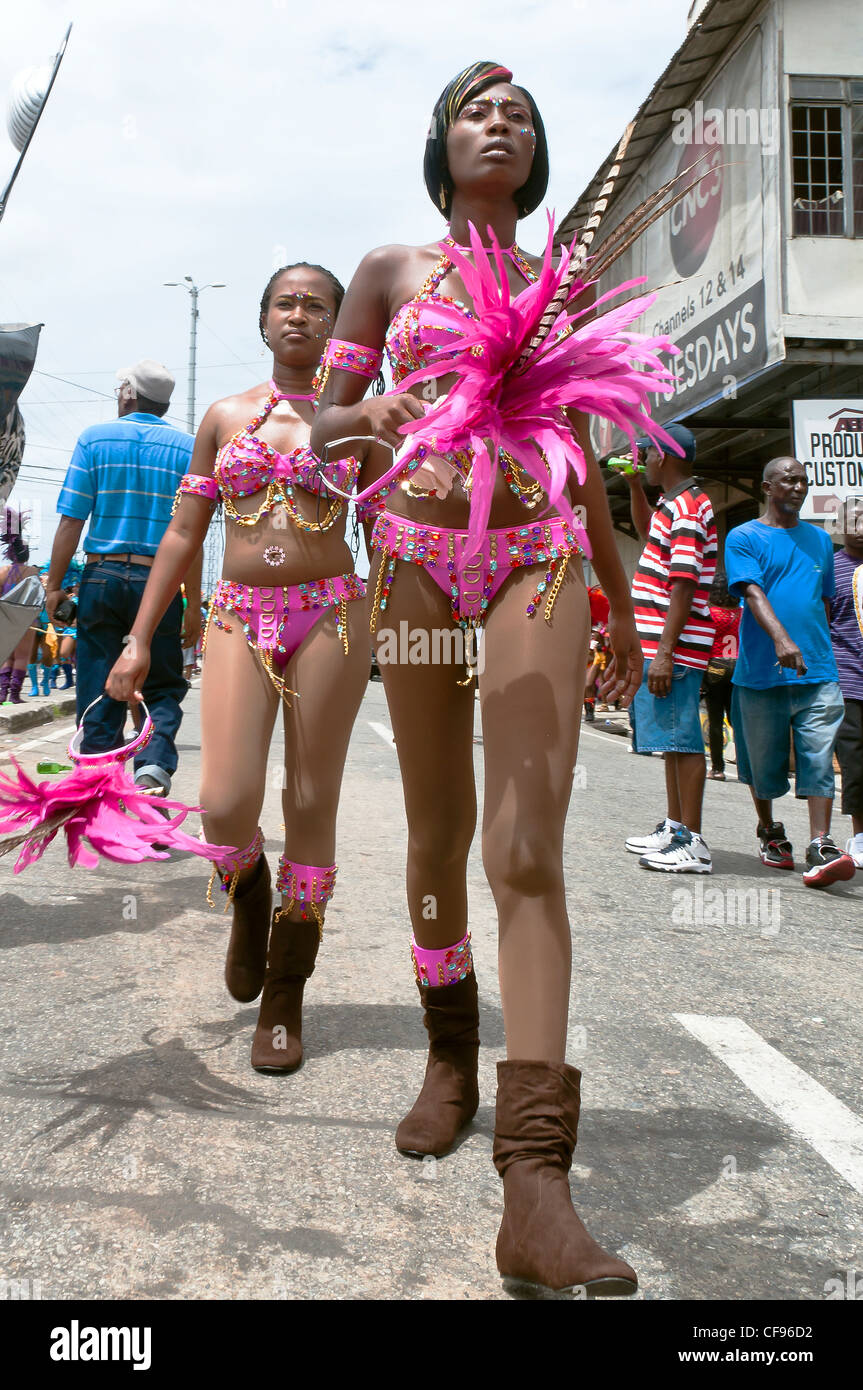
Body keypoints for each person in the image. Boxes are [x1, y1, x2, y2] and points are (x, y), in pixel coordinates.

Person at [310, 60, 677, 1297]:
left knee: (524, 847)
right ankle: (449, 1059)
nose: (499, 123)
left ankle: (535, 1181)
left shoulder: (561, 286)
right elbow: (321, 428)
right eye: (476, 110)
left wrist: (624, 602)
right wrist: (385, 411)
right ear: (442, 142)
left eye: (518, 113)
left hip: (539, 561)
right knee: (435, 835)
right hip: (412, 564)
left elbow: (583, 452)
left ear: (534, 155)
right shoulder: (386, 272)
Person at [106, 264, 369, 1075]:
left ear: (337, 324)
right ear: (263, 322)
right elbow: (184, 533)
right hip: (236, 613)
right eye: (285, 303)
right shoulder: (223, 418)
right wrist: (140, 637)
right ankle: (250, 900)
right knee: (222, 803)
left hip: (333, 613)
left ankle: (286, 994)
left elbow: (398, 521)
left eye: (317, 305)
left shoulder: (359, 420)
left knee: (312, 798)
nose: (300, 315)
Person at [45, 360, 199, 796]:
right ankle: (152, 766)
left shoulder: (94, 439)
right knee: (163, 682)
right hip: (161, 584)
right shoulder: (186, 449)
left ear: (129, 394)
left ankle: (95, 784)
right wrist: (194, 603)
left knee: (98, 680)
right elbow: (192, 535)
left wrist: (55, 586)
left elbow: (71, 521)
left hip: (103, 577)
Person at [725, 457, 855, 887]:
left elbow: (824, 602)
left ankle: (821, 842)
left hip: (818, 672)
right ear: (767, 487)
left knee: (819, 757)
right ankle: (769, 830)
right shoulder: (744, 537)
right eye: (789, 480)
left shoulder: (820, 541)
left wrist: (817, 648)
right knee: (763, 765)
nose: (798, 486)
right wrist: (782, 640)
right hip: (761, 675)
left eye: (803, 480)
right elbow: (752, 591)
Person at [623, 424, 717, 871]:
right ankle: (675, 827)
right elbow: (647, 538)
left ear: (665, 455)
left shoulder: (690, 506)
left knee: (684, 740)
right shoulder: (673, 504)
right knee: (671, 741)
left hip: (674, 647)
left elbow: (683, 585)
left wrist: (664, 652)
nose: (642, 460)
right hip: (664, 644)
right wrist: (634, 486)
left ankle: (693, 843)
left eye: (646, 455)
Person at [828, 497, 863, 868]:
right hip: (848, 681)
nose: (861, 528)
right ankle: (859, 837)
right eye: (854, 521)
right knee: (855, 764)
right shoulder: (831, 569)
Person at [702, 573, 740, 780]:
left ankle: (717, 768)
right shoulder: (741, 613)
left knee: (715, 719)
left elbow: (705, 643)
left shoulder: (710, 613)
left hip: (715, 667)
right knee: (737, 719)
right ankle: (745, 765)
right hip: (737, 667)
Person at [0, 506, 39, 703]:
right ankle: (15, 695)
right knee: (22, 656)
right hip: (25, 618)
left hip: (6, 618)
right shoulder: (32, 572)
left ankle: (2, 693)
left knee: (7, 655)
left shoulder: (3, 570)